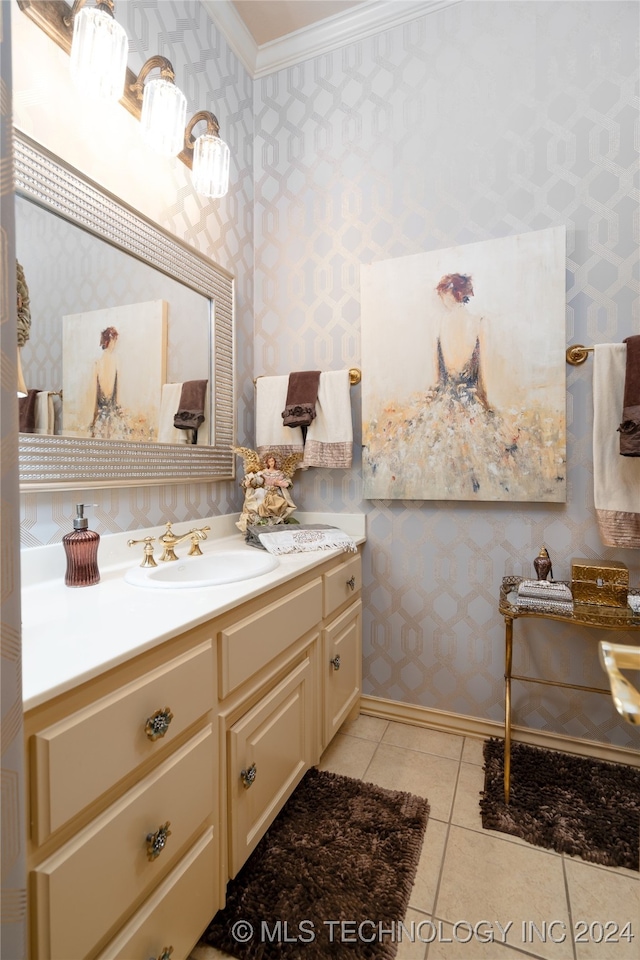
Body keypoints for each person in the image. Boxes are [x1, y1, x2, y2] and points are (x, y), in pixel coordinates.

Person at [90, 326, 130, 440]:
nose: (115, 344)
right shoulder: (115, 361)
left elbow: (95, 393)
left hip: (102, 414)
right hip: (111, 414)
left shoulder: (98, 362)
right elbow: (117, 392)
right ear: (109, 341)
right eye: (114, 340)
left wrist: (93, 418)